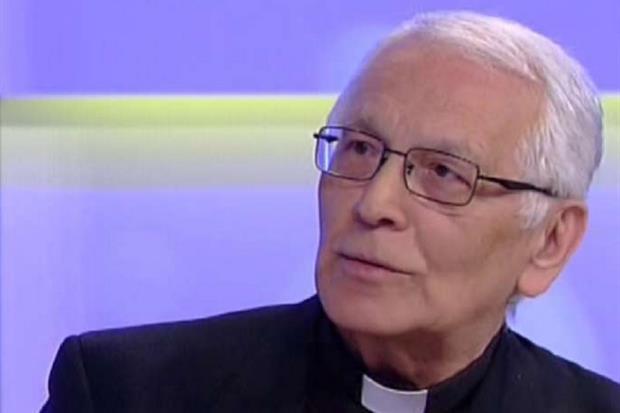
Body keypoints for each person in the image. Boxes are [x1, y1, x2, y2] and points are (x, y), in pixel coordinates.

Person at [41, 11, 620, 413]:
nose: (374, 203)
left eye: (444, 173)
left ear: (550, 241)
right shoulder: (125, 392)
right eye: (360, 149)